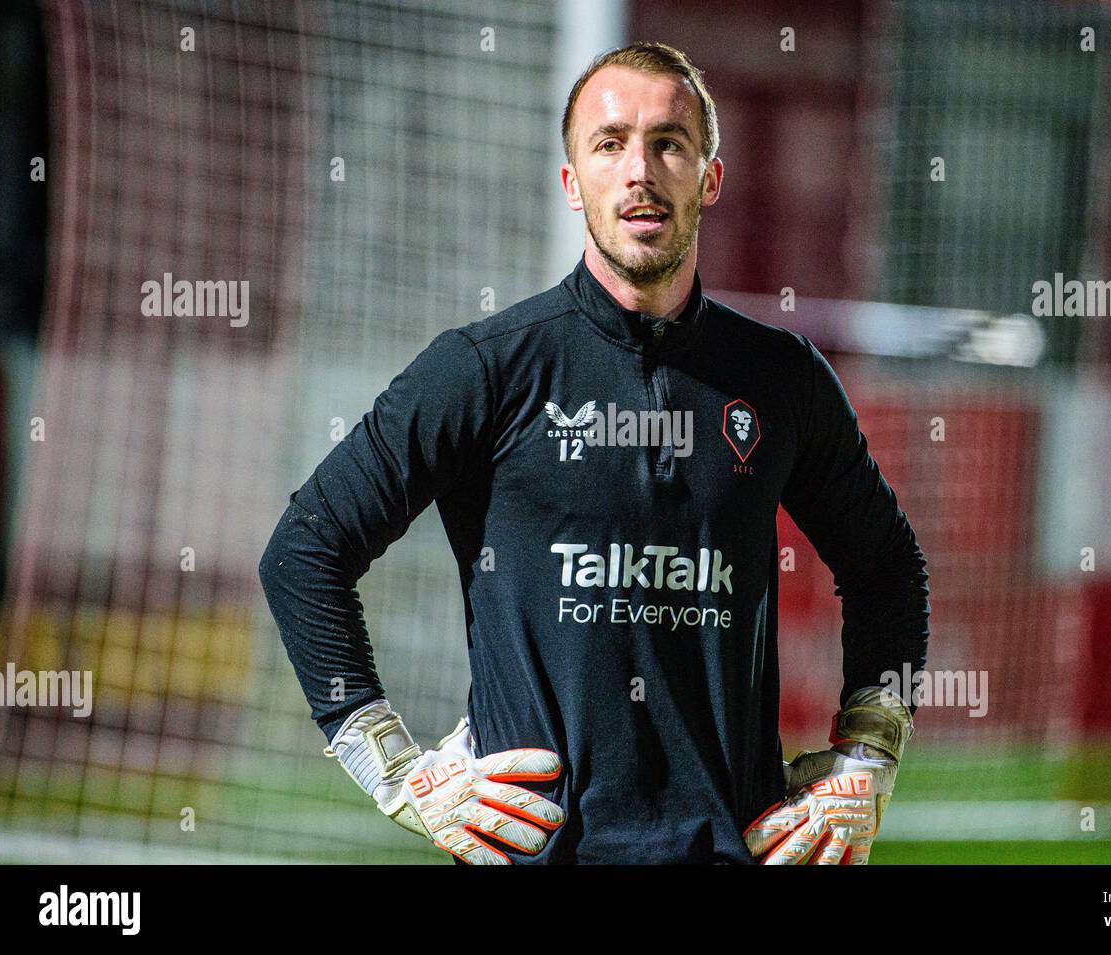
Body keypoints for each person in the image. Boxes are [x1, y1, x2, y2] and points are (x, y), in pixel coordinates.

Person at [258, 41, 929, 865]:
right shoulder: (484, 368)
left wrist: (869, 756)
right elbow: (304, 550)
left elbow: (888, 565)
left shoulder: (781, 379)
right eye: (609, 144)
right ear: (574, 185)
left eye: (669, 143)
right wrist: (394, 768)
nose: (639, 170)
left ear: (709, 178)